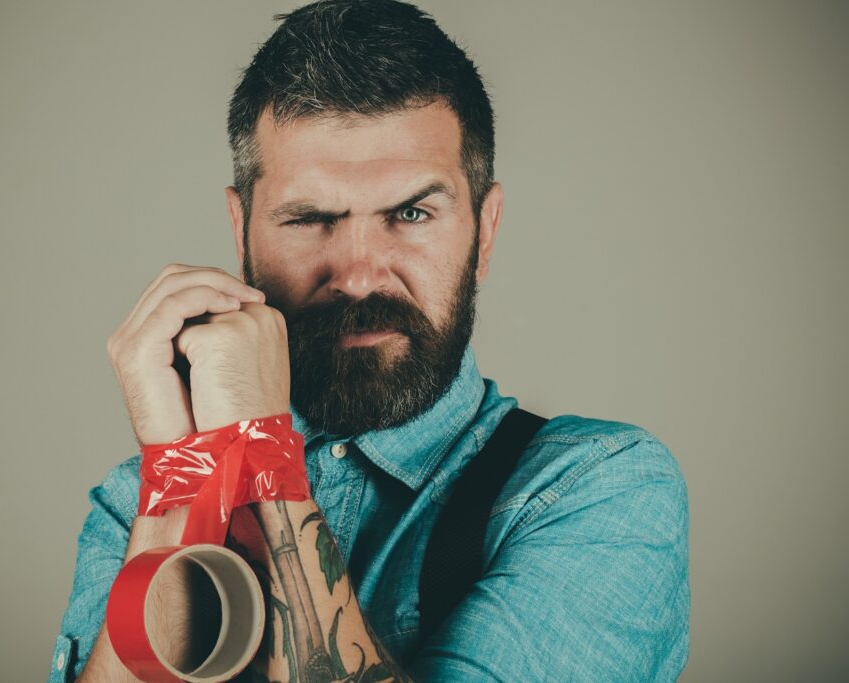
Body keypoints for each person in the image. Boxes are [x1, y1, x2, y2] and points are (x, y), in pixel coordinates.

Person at [48, 1, 690, 681]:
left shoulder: (594, 489)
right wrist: (180, 477)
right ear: (242, 233)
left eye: (411, 212)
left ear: (485, 232)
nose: (358, 277)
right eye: (310, 218)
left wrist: (263, 454)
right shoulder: (138, 501)